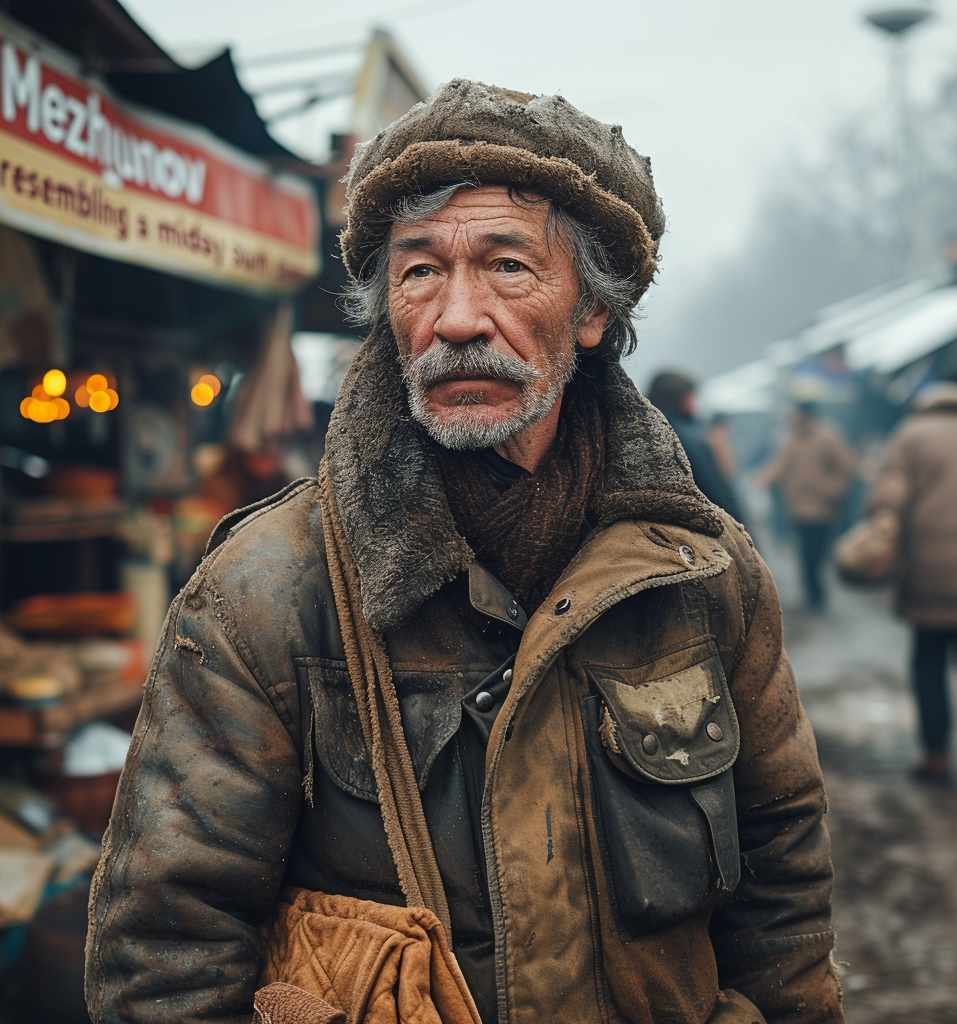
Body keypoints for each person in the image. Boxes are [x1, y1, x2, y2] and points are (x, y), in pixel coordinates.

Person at [86, 81, 842, 1024]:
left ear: (595, 313)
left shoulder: (705, 576)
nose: (455, 319)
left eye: (508, 266)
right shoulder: (265, 592)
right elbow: (163, 953)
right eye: (419, 273)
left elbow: (783, 898)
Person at [868, 378, 957, 782]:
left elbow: (888, 499)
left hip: (929, 571)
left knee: (929, 662)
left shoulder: (910, 435)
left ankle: (936, 754)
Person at [757, 403, 856, 611]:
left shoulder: (829, 437)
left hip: (824, 508)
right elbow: (779, 465)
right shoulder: (790, 440)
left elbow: (845, 466)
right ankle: (813, 595)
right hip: (799, 508)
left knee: (817, 554)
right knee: (806, 554)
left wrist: (834, 491)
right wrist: (762, 479)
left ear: (808, 417)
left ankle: (816, 592)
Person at [647, 371, 746, 523]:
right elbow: (710, 480)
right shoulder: (684, 434)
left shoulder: (652, 428)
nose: (695, 402)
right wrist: (735, 518)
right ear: (677, 399)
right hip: (707, 516)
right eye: (690, 397)